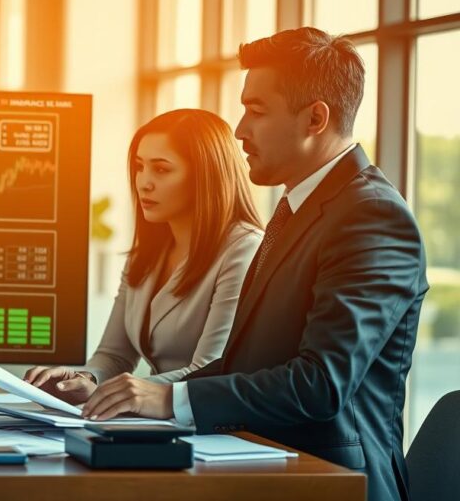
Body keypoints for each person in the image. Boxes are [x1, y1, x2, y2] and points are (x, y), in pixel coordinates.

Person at [80, 28, 427, 501]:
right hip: (262, 463)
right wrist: (130, 396)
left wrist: (167, 397)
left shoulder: (372, 217)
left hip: (329, 482)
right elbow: (247, 363)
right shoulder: (296, 210)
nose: (240, 130)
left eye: (256, 111)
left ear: (315, 119)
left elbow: (320, 383)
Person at [25, 109, 263, 404]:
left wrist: (104, 393)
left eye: (161, 169)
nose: (143, 182)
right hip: (154, 423)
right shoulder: (149, 252)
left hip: (206, 422)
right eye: (139, 167)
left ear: (206, 175)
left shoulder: (244, 249)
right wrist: (82, 379)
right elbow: (113, 355)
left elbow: (209, 370)